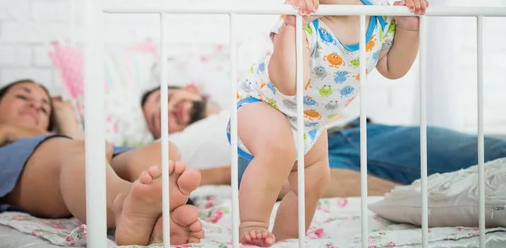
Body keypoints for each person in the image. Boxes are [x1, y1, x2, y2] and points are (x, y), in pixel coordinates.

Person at [229, 0, 429, 245]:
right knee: (277, 150)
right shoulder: (301, 20)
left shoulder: (378, 16)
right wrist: (294, 29)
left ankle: (287, 238)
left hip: (310, 120)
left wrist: (409, 29)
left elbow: (393, 69)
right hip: (263, 105)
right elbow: (288, 83)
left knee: (315, 178)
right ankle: (251, 223)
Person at [0, 79, 204, 246]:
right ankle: (123, 204)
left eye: (44, 104)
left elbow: (85, 149)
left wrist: (65, 119)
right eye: (24, 97)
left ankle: (151, 222)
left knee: (159, 153)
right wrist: (4, 132)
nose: (36, 104)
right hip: (29, 165)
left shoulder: (57, 139)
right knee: (83, 152)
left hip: (75, 159)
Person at [141, 85, 506, 197]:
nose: (170, 110)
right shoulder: (180, 143)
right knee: (424, 200)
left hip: (350, 136)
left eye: (169, 97)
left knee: (491, 154)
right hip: (298, 174)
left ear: (190, 90)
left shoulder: (244, 88)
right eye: (157, 117)